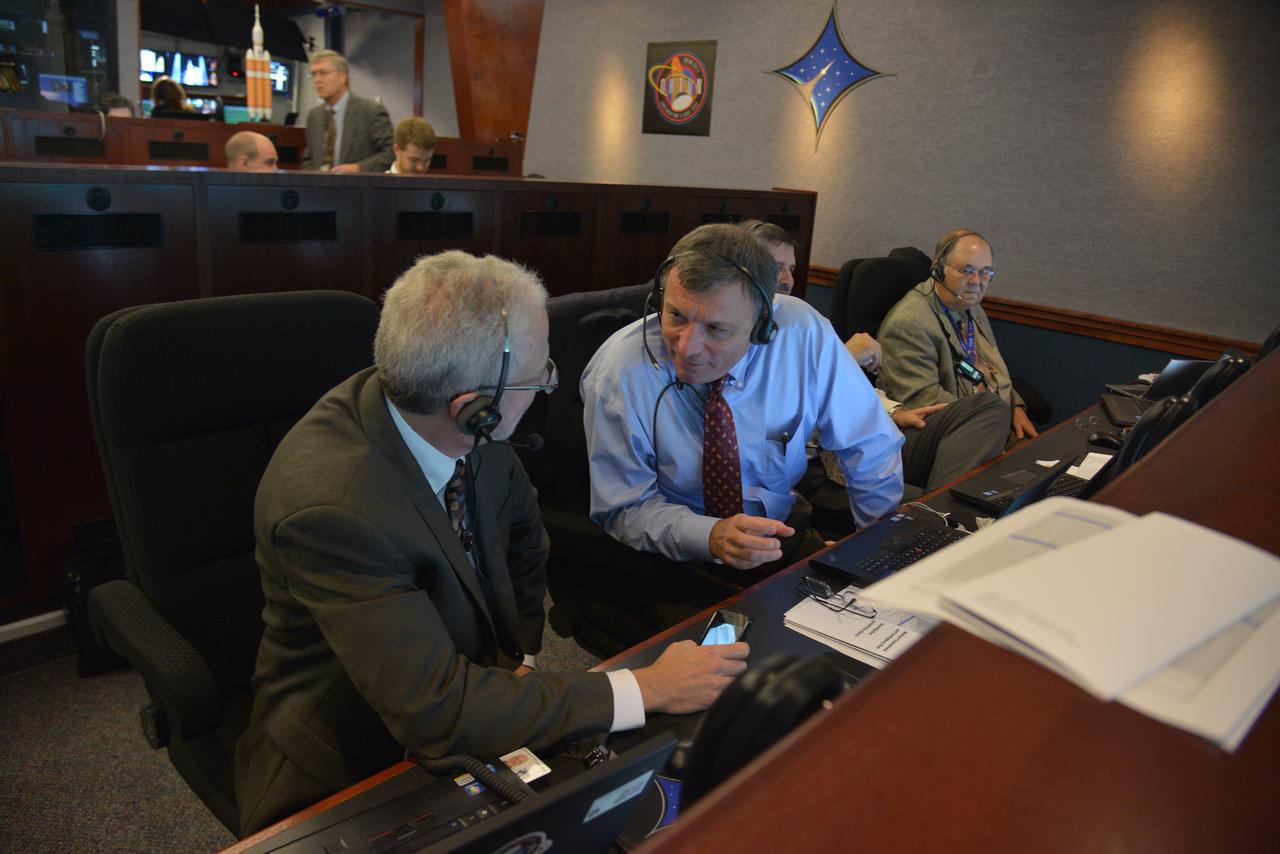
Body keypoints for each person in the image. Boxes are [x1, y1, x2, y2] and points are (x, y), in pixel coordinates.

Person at [234, 250, 749, 835]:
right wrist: (646, 686)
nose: (547, 385)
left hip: (475, 706)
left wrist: (520, 659)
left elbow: (524, 544)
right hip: (351, 768)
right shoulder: (336, 510)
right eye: (540, 375)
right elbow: (437, 712)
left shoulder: (458, 423)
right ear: (475, 408)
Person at [580, 224, 903, 625]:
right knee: (758, 664)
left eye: (716, 329)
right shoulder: (621, 374)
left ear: (764, 323)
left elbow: (868, 443)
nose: (686, 347)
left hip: (778, 533)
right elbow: (623, 508)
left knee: (873, 627)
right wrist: (711, 535)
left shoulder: (801, 332)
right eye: (676, 315)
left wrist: (875, 550)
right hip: (672, 556)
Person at [740, 221, 1009, 491]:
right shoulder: (723, 336)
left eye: (792, 269)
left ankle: (947, 517)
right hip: (816, 457)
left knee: (990, 419)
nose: (788, 281)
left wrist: (892, 410)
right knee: (986, 415)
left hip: (868, 437)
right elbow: (775, 408)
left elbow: (849, 389)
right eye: (777, 269)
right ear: (742, 271)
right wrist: (844, 359)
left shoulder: (802, 321)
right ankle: (946, 517)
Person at [878, 229, 1039, 443]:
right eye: (967, 270)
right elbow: (927, 403)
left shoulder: (971, 307)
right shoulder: (908, 323)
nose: (976, 281)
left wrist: (1015, 405)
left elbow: (992, 369)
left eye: (985, 272)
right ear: (938, 269)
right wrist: (999, 423)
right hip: (951, 434)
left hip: (989, 417)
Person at [300, 49, 394, 172]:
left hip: (357, 187)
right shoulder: (314, 116)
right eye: (313, 74)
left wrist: (358, 168)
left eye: (323, 73)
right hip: (320, 188)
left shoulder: (370, 111)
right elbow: (308, 159)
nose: (317, 80)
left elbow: (391, 152)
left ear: (342, 76)